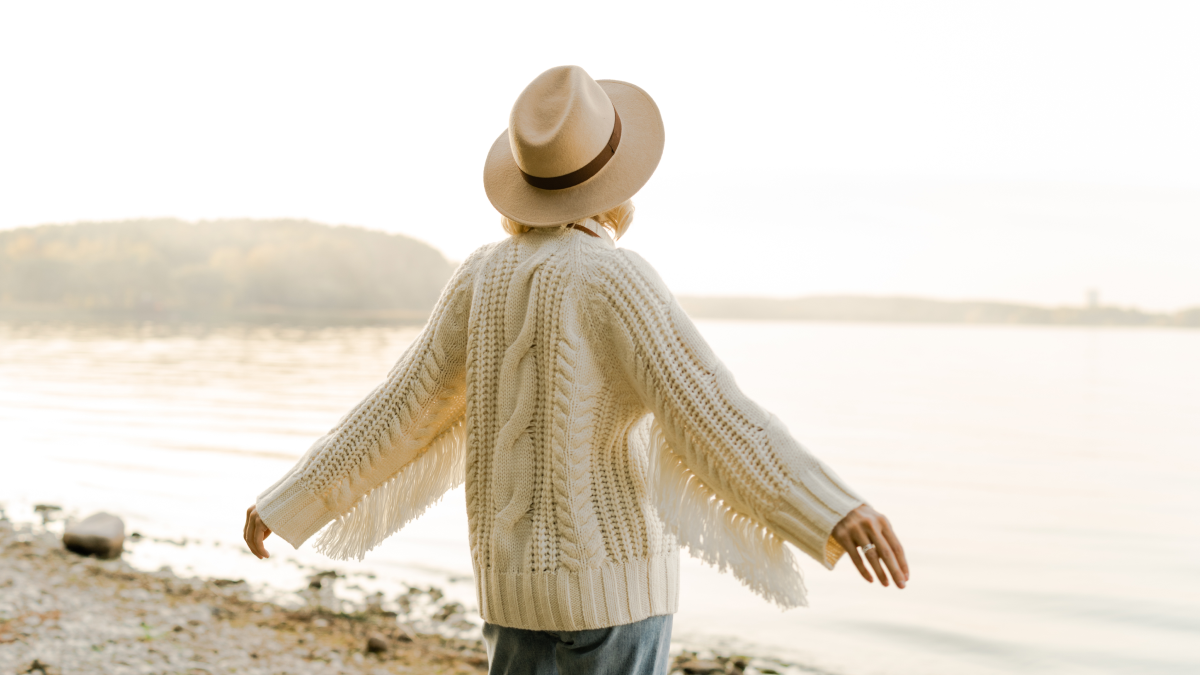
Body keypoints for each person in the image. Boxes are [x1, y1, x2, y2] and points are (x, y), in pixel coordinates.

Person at [243, 65, 908, 675]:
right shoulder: (614, 278)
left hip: (513, 594)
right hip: (613, 593)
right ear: (614, 182)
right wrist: (831, 508)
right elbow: (712, 413)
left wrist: (290, 497)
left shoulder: (479, 276)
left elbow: (399, 410)